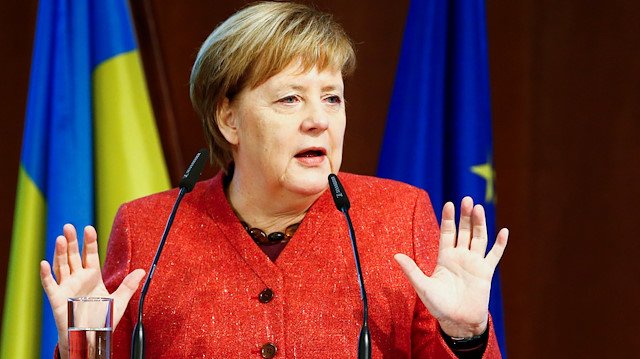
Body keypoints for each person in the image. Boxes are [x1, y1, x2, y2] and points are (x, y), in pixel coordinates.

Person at [40, 2, 508, 358]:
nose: (318, 120)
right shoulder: (149, 229)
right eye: (289, 99)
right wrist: (84, 342)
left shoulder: (398, 216)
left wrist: (466, 335)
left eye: (332, 98)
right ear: (229, 120)